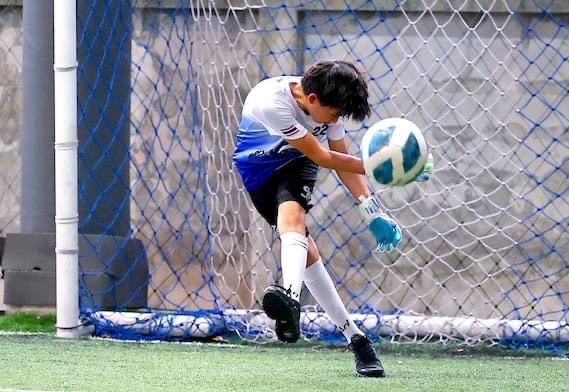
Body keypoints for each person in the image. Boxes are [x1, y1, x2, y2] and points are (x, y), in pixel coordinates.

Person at [232, 60, 430, 378]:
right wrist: (389, 167)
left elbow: (339, 162)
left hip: (298, 162)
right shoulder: (272, 103)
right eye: (335, 114)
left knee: (292, 220)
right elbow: (324, 156)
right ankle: (354, 335)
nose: (336, 120)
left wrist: (372, 210)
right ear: (312, 101)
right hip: (258, 170)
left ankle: (296, 303)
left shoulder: (326, 102)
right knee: (307, 253)